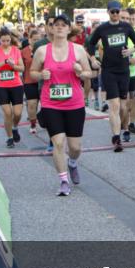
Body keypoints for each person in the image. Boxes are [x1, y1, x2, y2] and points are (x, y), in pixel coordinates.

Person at [29, 14, 99, 196]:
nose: (59, 28)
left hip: (74, 103)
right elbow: (32, 73)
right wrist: (41, 75)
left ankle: (73, 163)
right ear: (51, 29)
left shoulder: (78, 50)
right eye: (56, 25)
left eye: (63, 25)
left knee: (75, 147)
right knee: (58, 143)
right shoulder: (42, 51)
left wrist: (81, 72)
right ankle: (63, 180)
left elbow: (90, 73)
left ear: (69, 29)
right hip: (51, 103)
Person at [87, 0, 135, 152]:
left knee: (124, 107)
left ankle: (124, 127)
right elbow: (90, 44)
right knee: (115, 105)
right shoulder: (103, 28)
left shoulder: (126, 26)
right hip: (109, 71)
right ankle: (116, 137)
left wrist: (131, 51)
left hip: (124, 70)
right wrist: (93, 59)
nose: (116, 14)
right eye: (113, 12)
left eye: (118, 11)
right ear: (108, 12)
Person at [0, 28, 25, 148]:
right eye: (3, 41)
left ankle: (15, 127)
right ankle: (10, 137)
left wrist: (13, 65)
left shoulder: (15, 50)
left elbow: (22, 68)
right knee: (8, 113)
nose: (5, 43)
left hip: (16, 84)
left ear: (11, 39)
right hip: (0, 86)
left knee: (18, 113)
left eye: (8, 40)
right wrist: (4, 62)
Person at [120, 9, 135, 136]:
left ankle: (132, 123)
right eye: (126, 19)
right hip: (120, 73)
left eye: (130, 19)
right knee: (124, 103)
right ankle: (123, 125)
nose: (128, 21)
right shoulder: (116, 33)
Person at [21, 27, 40, 134]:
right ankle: (33, 124)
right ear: (29, 40)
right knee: (32, 104)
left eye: (38, 39)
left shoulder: (43, 50)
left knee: (46, 106)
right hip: (29, 81)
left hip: (43, 81)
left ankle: (45, 121)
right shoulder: (24, 52)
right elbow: (20, 67)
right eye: (34, 40)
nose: (36, 42)